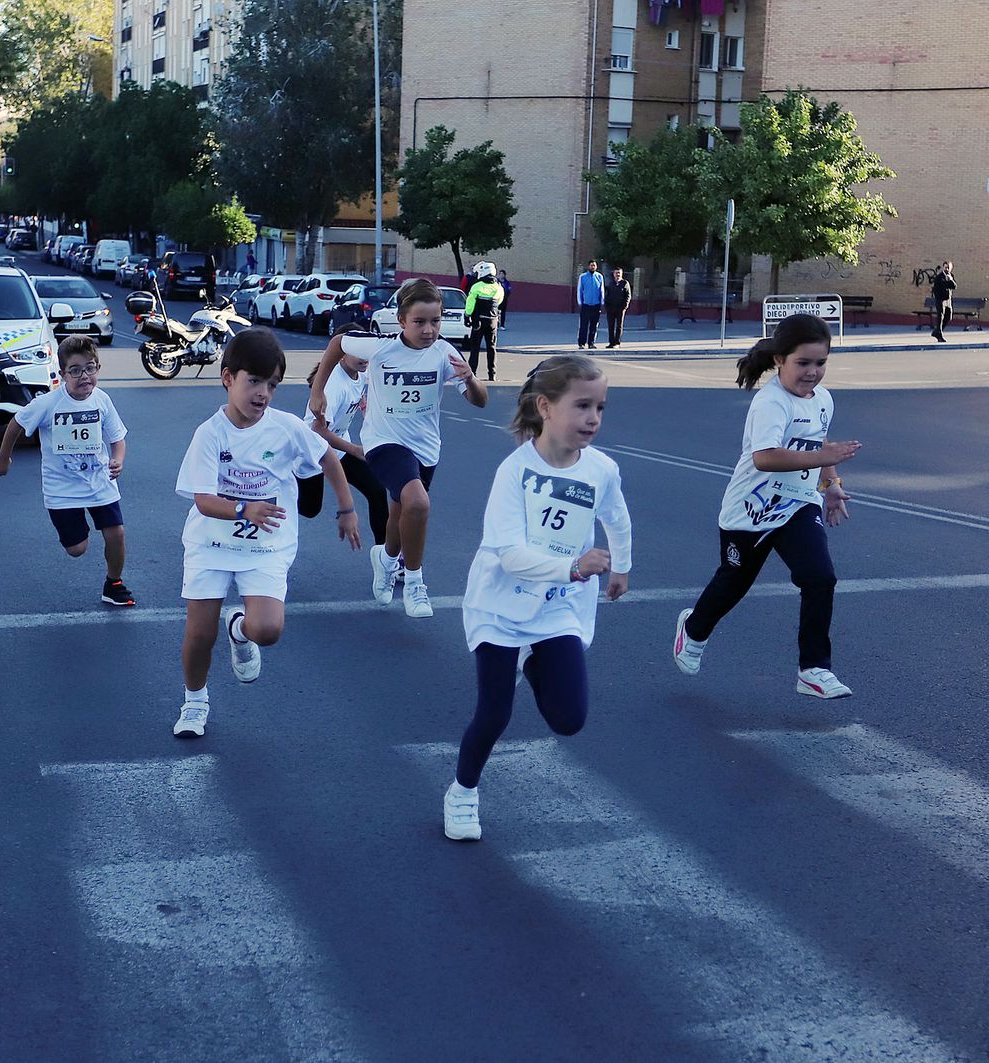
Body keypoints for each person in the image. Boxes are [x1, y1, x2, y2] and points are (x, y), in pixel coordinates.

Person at [444, 355, 632, 841]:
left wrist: (622, 567)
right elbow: (508, 554)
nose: (594, 418)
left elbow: (617, 517)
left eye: (601, 408)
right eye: (583, 406)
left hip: (558, 606)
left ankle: (534, 659)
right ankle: (463, 792)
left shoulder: (602, 469)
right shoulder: (515, 471)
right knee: (495, 711)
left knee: (569, 720)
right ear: (545, 407)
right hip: (501, 604)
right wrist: (572, 566)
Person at [172, 329, 361, 738]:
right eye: (254, 381)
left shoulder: (287, 428)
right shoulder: (210, 434)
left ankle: (239, 628)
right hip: (211, 541)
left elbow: (327, 455)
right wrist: (244, 508)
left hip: (266, 546)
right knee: (199, 634)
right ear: (227, 378)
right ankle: (195, 701)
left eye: (272, 385)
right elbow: (204, 500)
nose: (263, 393)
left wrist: (346, 508)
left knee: (268, 631)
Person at [672, 313, 861, 699]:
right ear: (779, 359)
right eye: (803, 363)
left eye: (820, 363)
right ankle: (693, 630)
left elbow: (819, 446)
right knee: (733, 584)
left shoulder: (822, 399)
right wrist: (823, 458)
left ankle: (813, 669)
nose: (812, 372)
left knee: (820, 577)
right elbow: (766, 458)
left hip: (796, 506)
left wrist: (832, 485)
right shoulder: (771, 403)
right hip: (750, 511)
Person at [308, 278, 488, 618]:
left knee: (399, 513)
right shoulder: (379, 347)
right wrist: (318, 392)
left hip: (425, 447)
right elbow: (336, 344)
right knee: (418, 502)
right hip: (383, 442)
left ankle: (386, 558)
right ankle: (416, 580)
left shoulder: (446, 354)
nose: (429, 329)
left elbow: (479, 401)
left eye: (435, 321)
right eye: (419, 322)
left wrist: (471, 378)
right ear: (401, 321)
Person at [0, 336, 134, 606]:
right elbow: (16, 423)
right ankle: (76, 531)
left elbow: (118, 437)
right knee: (77, 549)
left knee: (117, 533)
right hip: (62, 489)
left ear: (98, 369)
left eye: (90, 368)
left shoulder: (102, 400)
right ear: (62, 373)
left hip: (100, 481)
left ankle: (113, 583)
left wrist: (118, 459)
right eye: (76, 370)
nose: (84, 376)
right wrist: (4, 457)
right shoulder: (47, 404)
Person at [298, 353, 391, 548]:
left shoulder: (360, 372)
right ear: (342, 354)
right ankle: (277, 490)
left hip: (338, 448)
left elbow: (359, 396)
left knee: (377, 490)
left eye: (365, 350)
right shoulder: (334, 386)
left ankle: (387, 557)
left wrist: (371, 419)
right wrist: (356, 450)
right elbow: (318, 431)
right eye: (357, 352)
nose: (364, 357)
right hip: (311, 451)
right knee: (310, 509)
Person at [464, 261, 505, 381]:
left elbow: (470, 303)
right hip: (492, 321)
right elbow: (499, 302)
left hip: (479, 321)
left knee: (475, 347)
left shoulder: (477, 286)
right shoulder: (498, 287)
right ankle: (492, 374)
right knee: (491, 347)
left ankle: (473, 373)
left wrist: (467, 315)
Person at [575, 260, 604, 349]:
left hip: (596, 305)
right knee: (583, 325)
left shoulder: (599, 276)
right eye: (591, 265)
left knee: (594, 326)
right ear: (588, 266)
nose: (593, 267)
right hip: (586, 305)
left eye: (594, 265)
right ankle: (581, 343)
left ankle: (591, 343)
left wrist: (602, 302)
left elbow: (601, 290)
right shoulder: (583, 277)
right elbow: (579, 290)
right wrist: (580, 302)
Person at [604, 266, 632, 348]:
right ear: (613, 274)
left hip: (620, 308)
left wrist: (625, 306)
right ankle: (611, 342)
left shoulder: (625, 283)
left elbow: (628, 295)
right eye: (616, 273)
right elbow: (607, 295)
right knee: (610, 326)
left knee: (619, 326)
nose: (618, 274)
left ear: (622, 274)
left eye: (619, 273)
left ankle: (617, 343)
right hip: (611, 308)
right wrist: (607, 306)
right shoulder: (610, 283)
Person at [931, 261, 955, 342]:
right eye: (945, 267)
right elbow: (936, 289)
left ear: (951, 268)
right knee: (940, 316)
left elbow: (954, 286)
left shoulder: (951, 276)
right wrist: (940, 298)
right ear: (943, 267)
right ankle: (939, 334)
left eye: (948, 267)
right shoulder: (939, 277)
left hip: (948, 300)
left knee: (949, 317)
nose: (947, 269)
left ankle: (936, 331)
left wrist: (950, 280)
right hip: (940, 299)